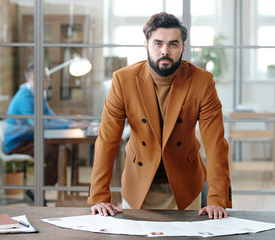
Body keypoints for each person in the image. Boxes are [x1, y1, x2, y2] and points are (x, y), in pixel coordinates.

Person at [87, 12, 231, 219]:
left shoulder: (203, 81)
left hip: (186, 183)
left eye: (173, 44)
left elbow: (215, 143)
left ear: (183, 47)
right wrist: (99, 196)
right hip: (138, 182)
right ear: (146, 46)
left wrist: (217, 199)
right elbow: (107, 139)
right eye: (158, 43)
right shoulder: (123, 80)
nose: (165, 51)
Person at [4, 62, 90, 189]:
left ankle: (41, 191)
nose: (49, 80)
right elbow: (39, 124)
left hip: (30, 139)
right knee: (59, 154)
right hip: (18, 143)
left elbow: (51, 118)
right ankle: (37, 191)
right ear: (35, 79)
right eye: (46, 77)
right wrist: (70, 127)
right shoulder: (25, 98)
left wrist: (73, 124)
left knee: (65, 152)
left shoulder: (37, 95)